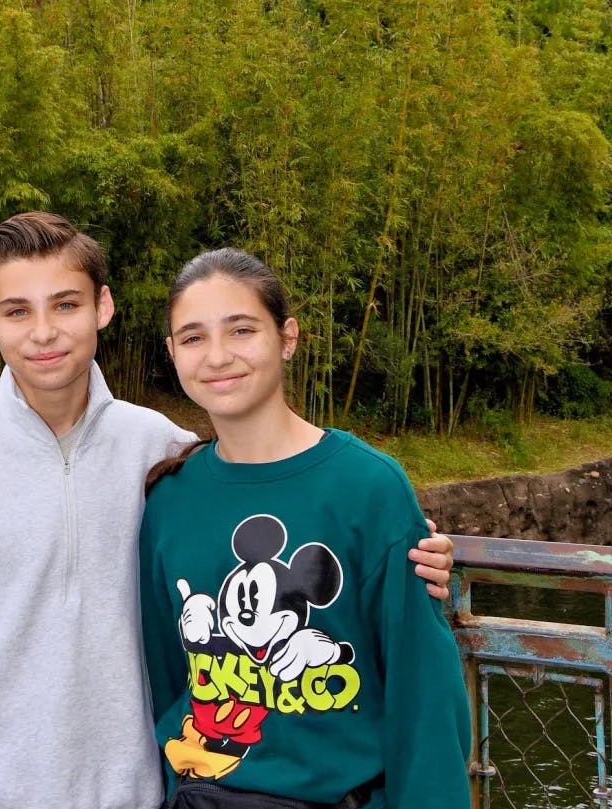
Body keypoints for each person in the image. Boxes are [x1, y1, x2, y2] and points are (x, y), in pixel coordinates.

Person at [0, 214, 457, 809]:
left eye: (65, 304)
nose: (44, 332)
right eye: (17, 311)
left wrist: (413, 549)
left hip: (138, 794)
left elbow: (278, 494)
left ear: (102, 307)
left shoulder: (160, 453)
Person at [140, 248, 471, 809]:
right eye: (193, 338)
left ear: (287, 337)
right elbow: (166, 677)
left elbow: (424, 696)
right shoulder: (169, 499)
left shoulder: (368, 486)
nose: (218, 356)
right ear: (172, 352)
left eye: (241, 329)